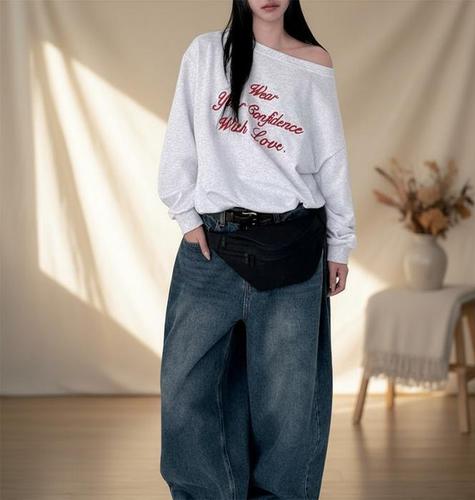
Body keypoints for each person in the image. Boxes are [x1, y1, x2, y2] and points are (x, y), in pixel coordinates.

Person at [157, 1, 357, 498]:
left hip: (292, 248)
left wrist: (340, 243)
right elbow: (181, 139)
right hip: (211, 250)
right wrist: (186, 218)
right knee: (185, 393)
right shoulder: (207, 53)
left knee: (286, 408)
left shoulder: (313, 62)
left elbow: (330, 158)